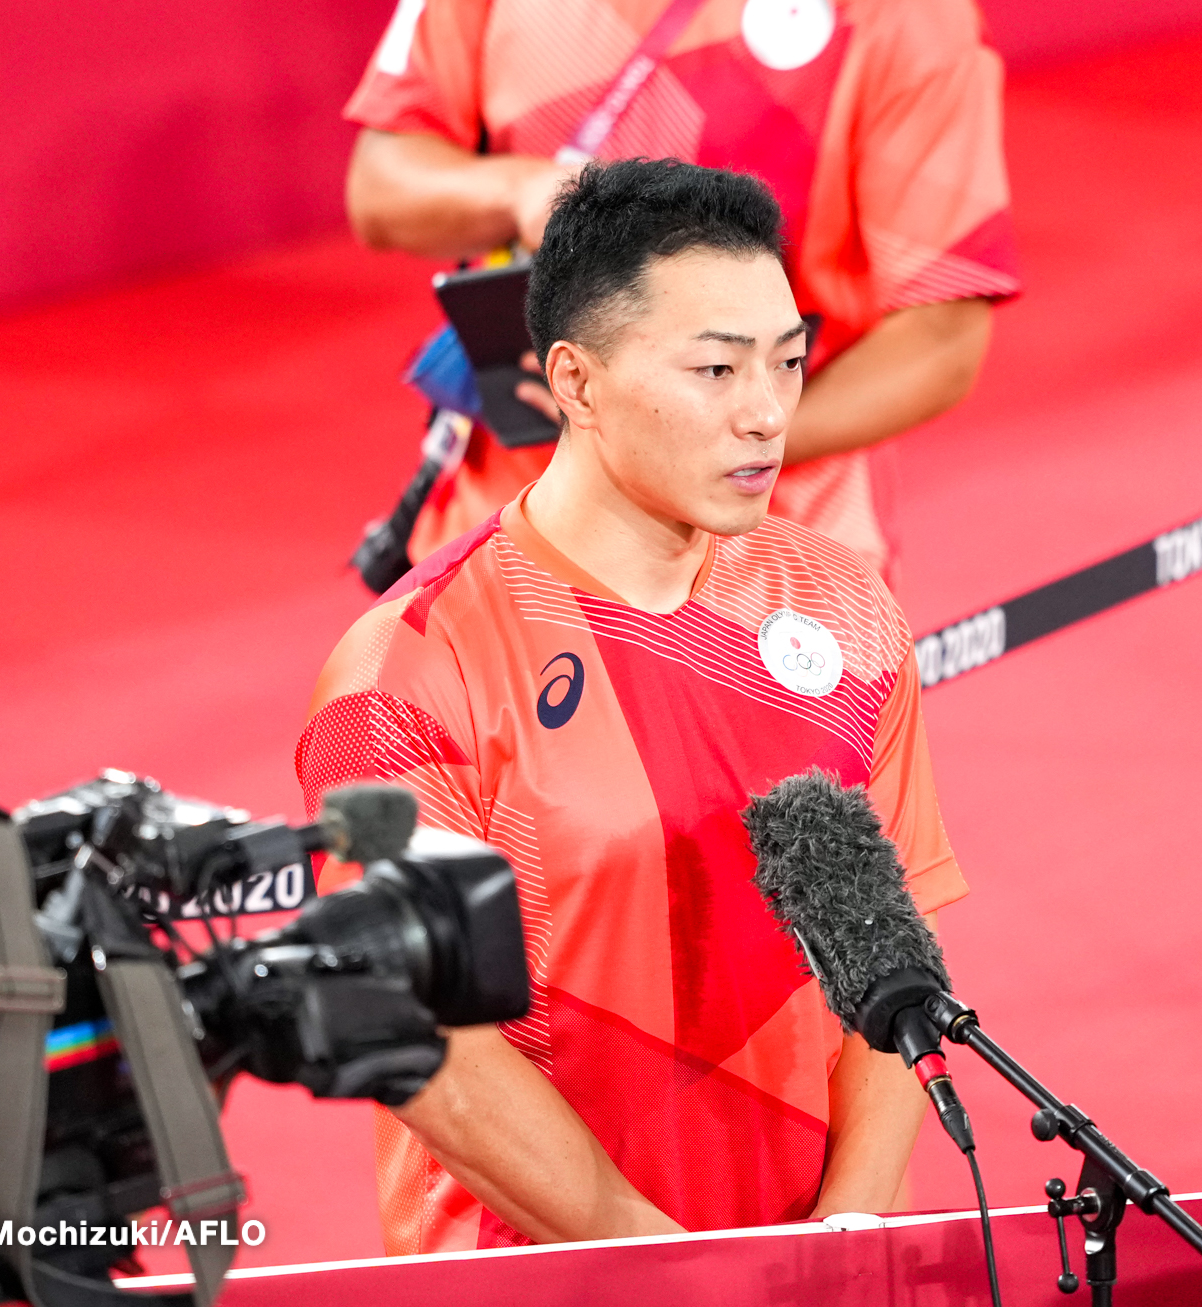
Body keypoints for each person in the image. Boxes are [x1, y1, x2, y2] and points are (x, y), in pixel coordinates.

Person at [297, 160, 968, 1256]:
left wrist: (846, 1230)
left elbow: (897, 942)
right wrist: (664, 1266)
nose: (765, 413)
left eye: (788, 364)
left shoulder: (846, 604)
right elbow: (425, 1039)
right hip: (544, 1277)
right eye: (714, 368)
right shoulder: (409, 666)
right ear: (575, 379)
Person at [346, 0, 1019, 582]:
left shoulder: (907, 19)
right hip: (508, 546)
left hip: (776, 581)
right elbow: (381, 181)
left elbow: (942, 337)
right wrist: (521, 192)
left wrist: (703, 444)